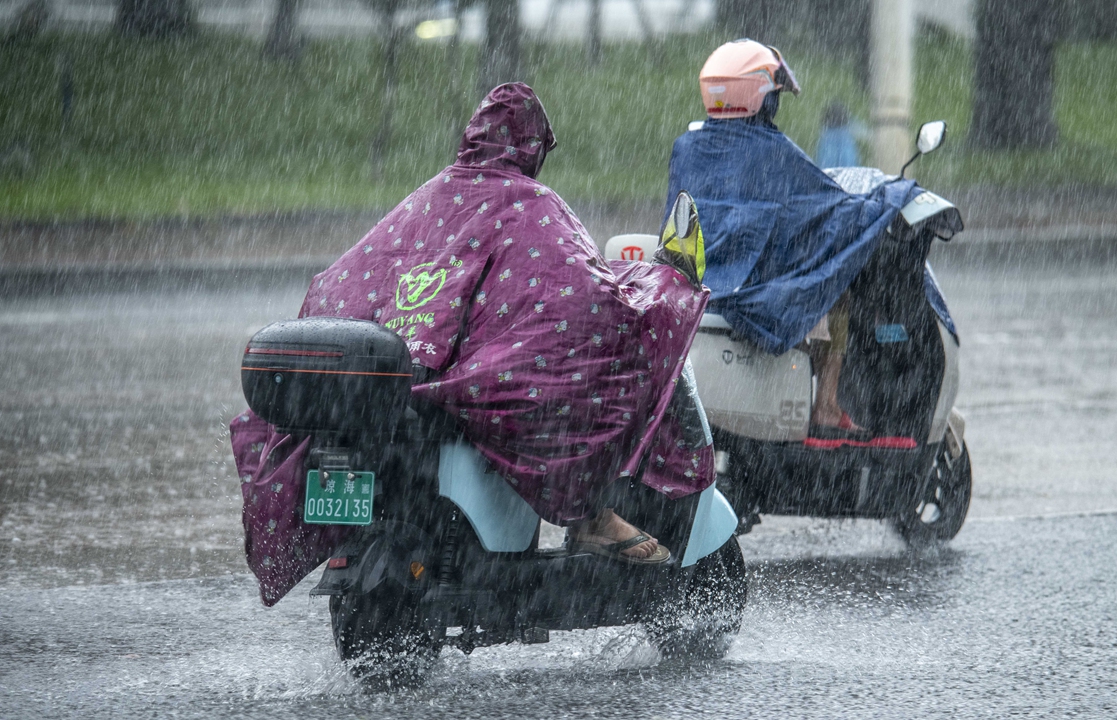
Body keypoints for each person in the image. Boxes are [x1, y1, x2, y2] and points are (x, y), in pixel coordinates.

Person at [231, 83, 713, 604]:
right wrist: (648, 296)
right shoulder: (531, 203)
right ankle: (590, 514)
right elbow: (582, 294)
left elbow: (355, 275)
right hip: (463, 382)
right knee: (581, 392)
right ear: (531, 147)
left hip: (409, 377)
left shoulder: (431, 195)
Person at [663, 39, 921, 439]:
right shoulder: (773, 151)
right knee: (835, 290)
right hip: (753, 286)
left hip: (697, 281)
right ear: (760, 97)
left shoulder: (687, 147)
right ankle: (827, 406)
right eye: (773, 94)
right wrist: (890, 200)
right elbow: (832, 208)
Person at [815, 101, 863, 170]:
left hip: (828, 173)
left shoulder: (826, 138)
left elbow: (823, 165)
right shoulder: (847, 138)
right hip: (848, 173)